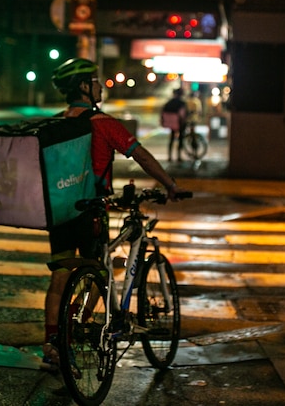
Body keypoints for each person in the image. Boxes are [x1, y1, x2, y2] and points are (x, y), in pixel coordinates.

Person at [42, 58, 186, 370]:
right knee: (100, 273)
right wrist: (169, 184)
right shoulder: (102, 123)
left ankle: (52, 344)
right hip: (90, 211)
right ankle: (76, 326)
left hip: (59, 211)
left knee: (59, 278)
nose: (99, 85)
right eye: (94, 81)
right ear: (83, 87)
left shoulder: (54, 124)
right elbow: (142, 156)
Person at [161, 88, 187, 161]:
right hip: (179, 122)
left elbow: (163, 111)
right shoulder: (182, 103)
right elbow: (182, 114)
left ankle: (170, 156)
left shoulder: (169, 102)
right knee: (180, 139)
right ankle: (178, 156)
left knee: (172, 139)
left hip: (171, 123)